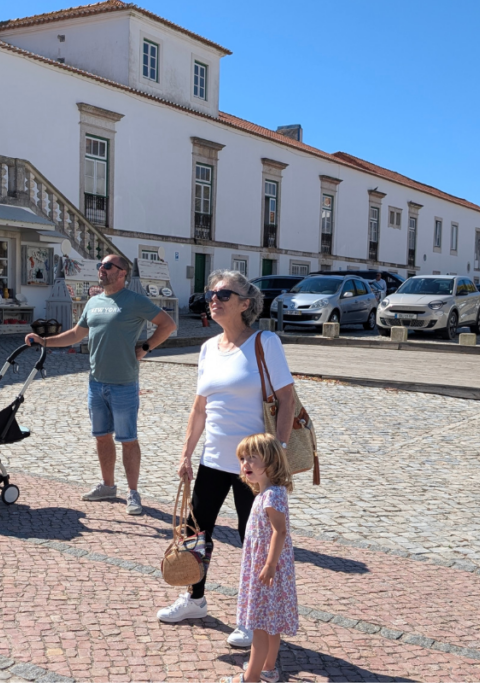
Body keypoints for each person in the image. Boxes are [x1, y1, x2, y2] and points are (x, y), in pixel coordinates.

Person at [157, 269, 295, 650]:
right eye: (211, 294)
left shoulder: (265, 342)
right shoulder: (207, 348)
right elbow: (199, 408)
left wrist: (277, 453)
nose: (213, 300)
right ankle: (195, 599)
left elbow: (287, 400)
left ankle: (252, 618)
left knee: (254, 540)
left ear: (245, 303)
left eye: (223, 294)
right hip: (213, 459)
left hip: (254, 464)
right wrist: (186, 453)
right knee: (194, 533)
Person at [25, 254, 176, 515]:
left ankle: (133, 493)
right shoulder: (94, 302)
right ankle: (108, 486)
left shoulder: (135, 300)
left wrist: (146, 347)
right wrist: (44, 341)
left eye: (107, 266)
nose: (101, 270)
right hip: (96, 383)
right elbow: (76, 334)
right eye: (100, 266)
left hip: (124, 383)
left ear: (122, 273)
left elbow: (168, 324)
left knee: (128, 439)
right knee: (102, 437)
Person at [222, 433, 298, 683]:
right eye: (242, 458)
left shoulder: (272, 496)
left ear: (271, 462)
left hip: (267, 570)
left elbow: (280, 530)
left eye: (252, 458)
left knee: (259, 627)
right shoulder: (267, 494)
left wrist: (269, 565)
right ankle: (268, 668)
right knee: (271, 624)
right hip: (267, 568)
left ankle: (251, 677)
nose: (245, 464)